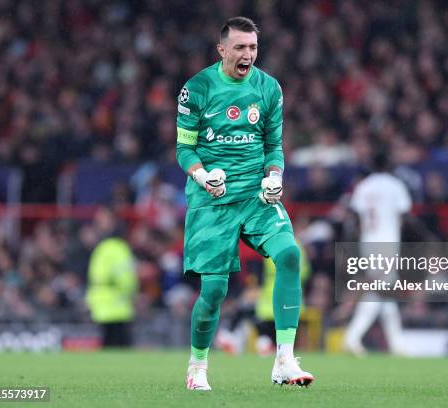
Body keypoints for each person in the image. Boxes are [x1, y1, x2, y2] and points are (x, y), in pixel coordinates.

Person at [176, 17, 314, 390]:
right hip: (212, 201)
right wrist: (203, 177)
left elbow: (274, 146)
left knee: (290, 255)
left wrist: (274, 178)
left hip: (255, 195)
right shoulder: (197, 88)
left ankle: (284, 360)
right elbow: (184, 149)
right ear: (222, 50)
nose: (247, 55)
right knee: (214, 292)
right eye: (239, 47)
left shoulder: (269, 87)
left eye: (252, 47)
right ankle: (198, 366)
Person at [343, 152, 412, 355]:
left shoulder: (364, 186)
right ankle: (352, 337)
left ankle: (396, 342)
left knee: (384, 292)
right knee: (380, 290)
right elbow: (403, 214)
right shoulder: (395, 184)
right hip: (388, 241)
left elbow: (355, 216)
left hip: (368, 242)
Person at [85, 207, 138, 347]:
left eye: (102, 220)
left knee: (109, 350)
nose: (98, 223)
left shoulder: (110, 248)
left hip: (109, 309)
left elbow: (125, 279)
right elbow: (127, 280)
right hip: (114, 308)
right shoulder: (113, 247)